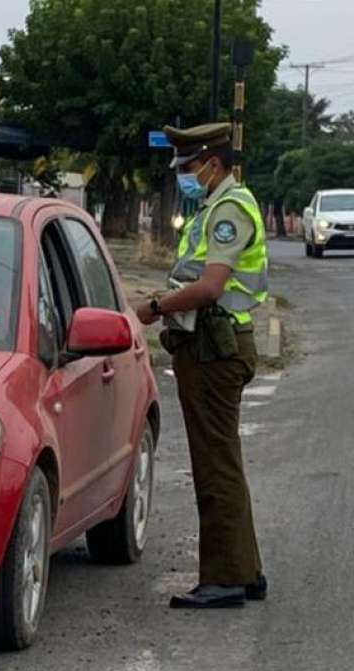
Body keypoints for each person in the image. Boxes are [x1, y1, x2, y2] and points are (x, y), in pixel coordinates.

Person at [135, 122, 269, 609]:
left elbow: (211, 286)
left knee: (215, 466)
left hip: (215, 348)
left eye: (190, 167)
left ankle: (224, 579)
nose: (186, 176)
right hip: (211, 345)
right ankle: (245, 570)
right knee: (223, 460)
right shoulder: (217, 206)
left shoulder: (229, 208)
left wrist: (152, 307)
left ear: (213, 163)